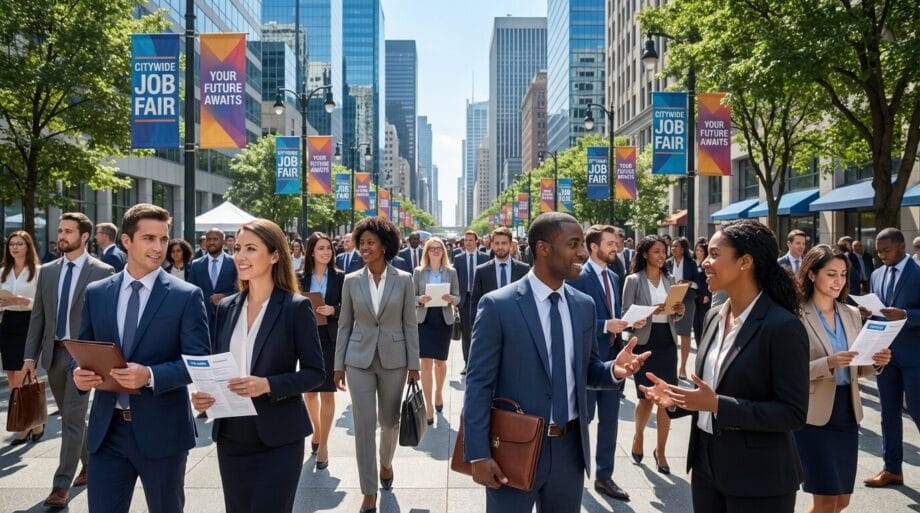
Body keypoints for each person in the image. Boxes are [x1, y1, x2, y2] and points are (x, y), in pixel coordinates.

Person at [463, 212, 651, 513]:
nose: (581, 252)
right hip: (512, 448)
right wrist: (477, 453)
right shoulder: (498, 305)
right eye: (573, 244)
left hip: (569, 451)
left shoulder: (583, 306)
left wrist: (614, 370)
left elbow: (587, 370)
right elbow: (478, 384)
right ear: (543, 249)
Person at [641, 218, 809, 513]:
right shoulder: (713, 317)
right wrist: (677, 400)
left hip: (760, 478)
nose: (705, 262)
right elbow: (709, 391)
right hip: (706, 466)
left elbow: (792, 413)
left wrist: (718, 404)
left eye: (715, 254)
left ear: (745, 261)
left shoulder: (782, 326)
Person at [72, 204, 210, 513]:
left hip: (163, 432)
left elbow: (198, 361)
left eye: (163, 239)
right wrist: (78, 374)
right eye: (149, 238)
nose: (159, 247)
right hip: (107, 432)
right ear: (126, 241)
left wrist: (150, 375)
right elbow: (84, 349)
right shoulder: (97, 293)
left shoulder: (186, 295)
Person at [191, 219, 325, 513]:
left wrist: (267, 385)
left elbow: (316, 373)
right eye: (238, 248)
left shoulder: (295, 307)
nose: (240, 255)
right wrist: (204, 395)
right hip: (231, 437)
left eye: (251, 248)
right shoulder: (226, 307)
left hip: (278, 437)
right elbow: (219, 365)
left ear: (275, 255)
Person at [22, 213, 115, 508]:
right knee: (71, 417)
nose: (61, 235)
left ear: (84, 236)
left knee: (72, 419)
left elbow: (108, 320)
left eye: (68, 231)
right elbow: (38, 317)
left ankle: (60, 485)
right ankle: (90, 464)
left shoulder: (103, 271)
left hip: (82, 356)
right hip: (53, 353)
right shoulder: (47, 271)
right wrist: (29, 357)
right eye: (60, 230)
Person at [795, 244, 892, 513]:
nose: (839, 281)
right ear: (812, 275)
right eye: (831, 274)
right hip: (814, 416)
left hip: (847, 414)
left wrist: (876, 362)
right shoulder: (796, 314)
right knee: (825, 501)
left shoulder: (850, 313)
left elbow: (857, 367)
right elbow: (790, 371)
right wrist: (828, 363)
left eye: (843, 274)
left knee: (842, 501)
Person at [333, 217, 420, 513]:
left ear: (384, 245)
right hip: (358, 360)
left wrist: (414, 364)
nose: (364, 248)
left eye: (370, 243)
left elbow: (410, 324)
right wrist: (338, 365)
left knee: (390, 422)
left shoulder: (405, 279)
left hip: (395, 360)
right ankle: (368, 490)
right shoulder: (351, 280)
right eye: (361, 243)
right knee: (363, 425)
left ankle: (386, 463)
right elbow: (344, 325)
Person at [567, 225, 645, 502]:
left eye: (617, 242)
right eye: (610, 243)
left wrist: (629, 321)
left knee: (610, 422)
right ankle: (572, 473)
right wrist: (604, 325)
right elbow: (572, 318)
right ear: (593, 247)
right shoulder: (576, 275)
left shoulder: (614, 275)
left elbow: (614, 314)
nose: (616, 247)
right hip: (588, 360)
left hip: (614, 359)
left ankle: (604, 476)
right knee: (582, 420)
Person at [861, 227, 920, 488]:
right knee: (888, 414)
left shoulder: (917, 272)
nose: (881, 255)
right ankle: (892, 469)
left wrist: (906, 314)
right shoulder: (876, 275)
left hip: (915, 357)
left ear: (901, 245)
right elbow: (879, 313)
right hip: (884, 356)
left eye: (886, 250)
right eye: (878, 251)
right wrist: (866, 313)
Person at [622, 235, 685, 474]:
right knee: (646, 398)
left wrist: (679, 310)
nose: (662, 255)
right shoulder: (633, 280)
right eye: (657, 251)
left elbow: (675, 315)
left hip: (667, 341)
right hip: (644, 343)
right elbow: (625, 315)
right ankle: (638, 436)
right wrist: (650, 312)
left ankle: (661, 451)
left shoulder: (670, 280)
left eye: (664, 251)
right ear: (645, 253)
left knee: (666, 399)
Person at [298, 231, 344, 470]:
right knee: (310, 393)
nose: (326, 252)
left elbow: (349, 308)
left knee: (327, 393)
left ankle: (323, 445)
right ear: (311, 252)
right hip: (306, 340)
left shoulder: (340, 278)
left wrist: (332, 310)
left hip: (330, 340)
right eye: (321, 248)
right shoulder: (300, 278)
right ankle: (317, 430)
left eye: (329, 248)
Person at [412, 237, 460, 425]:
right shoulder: (418, 272)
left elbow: (458, 297)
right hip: (424, 320)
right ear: (427, 252)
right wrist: (419, 299)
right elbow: (411, 296)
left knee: (440, 363)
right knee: (425, 363)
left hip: (443, 320)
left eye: (438, 248)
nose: (435, 251)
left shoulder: (451, 272)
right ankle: (428, 405)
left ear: (443, 251)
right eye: (431, 248)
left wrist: (451, 299)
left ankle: (439, 392)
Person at [1, 231, 41, 443]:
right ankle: (32, 422)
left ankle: (27, 424)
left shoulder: (38, 272)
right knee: (12, 378)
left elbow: (42, 304)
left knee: (25, 375)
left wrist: (24, 301)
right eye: (11, 244)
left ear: (28, 246)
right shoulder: (2, 272)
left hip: (29, 324)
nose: (15, 247)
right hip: (8, 324)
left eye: (19, 244)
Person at [470, 227, 529, 323]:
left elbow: (527, 301)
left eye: (504, 243)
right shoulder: (481, 271)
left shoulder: (524, 269)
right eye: (497, 243)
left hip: (517, 325)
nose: (500, 247)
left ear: (510, 244)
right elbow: (475, 303)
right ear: (492, 245)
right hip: (490, 325)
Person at [188, 228, 239, 325]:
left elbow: (241, 290)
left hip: (228, 317)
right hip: (202, 319)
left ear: (223, 241)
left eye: (215, 239)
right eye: (209, 239)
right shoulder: (196, 264)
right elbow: (191, 291)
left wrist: (226, 298)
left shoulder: (235, 263)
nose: (211, 242)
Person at [454, 230, 489, 374]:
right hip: (465, 299)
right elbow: (455, 280)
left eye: (470, 240)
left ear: (476, 242)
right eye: (465, 240)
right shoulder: (458, 258)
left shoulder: (485, 258)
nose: (467, 243)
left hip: (481, 298)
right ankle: (467, 364)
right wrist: (455, 300)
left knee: (482, 331)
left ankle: (481, 363)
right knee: (467, 334)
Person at [669, 236, 702, 380]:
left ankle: (682, 367)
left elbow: (698, 284)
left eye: (675, 246)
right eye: (671, 246)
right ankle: (672, 365)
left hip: (687, 300)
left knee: (685, 333)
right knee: (671, 333)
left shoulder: (691, 263)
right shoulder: (666, 263)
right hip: (670, 299)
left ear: (682, 249)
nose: (672, 249)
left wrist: (688, 283)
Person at [693, 240, 712, 346]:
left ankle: (704, 345)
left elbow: (708, 280)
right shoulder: (693, 263)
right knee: (695, 324)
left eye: (700, 250)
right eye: (696, 250)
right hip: (694, 296)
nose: (698, 252)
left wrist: (707, 295)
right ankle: (698, 345)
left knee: (703, 322)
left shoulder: (706, 264)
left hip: (704, 297)